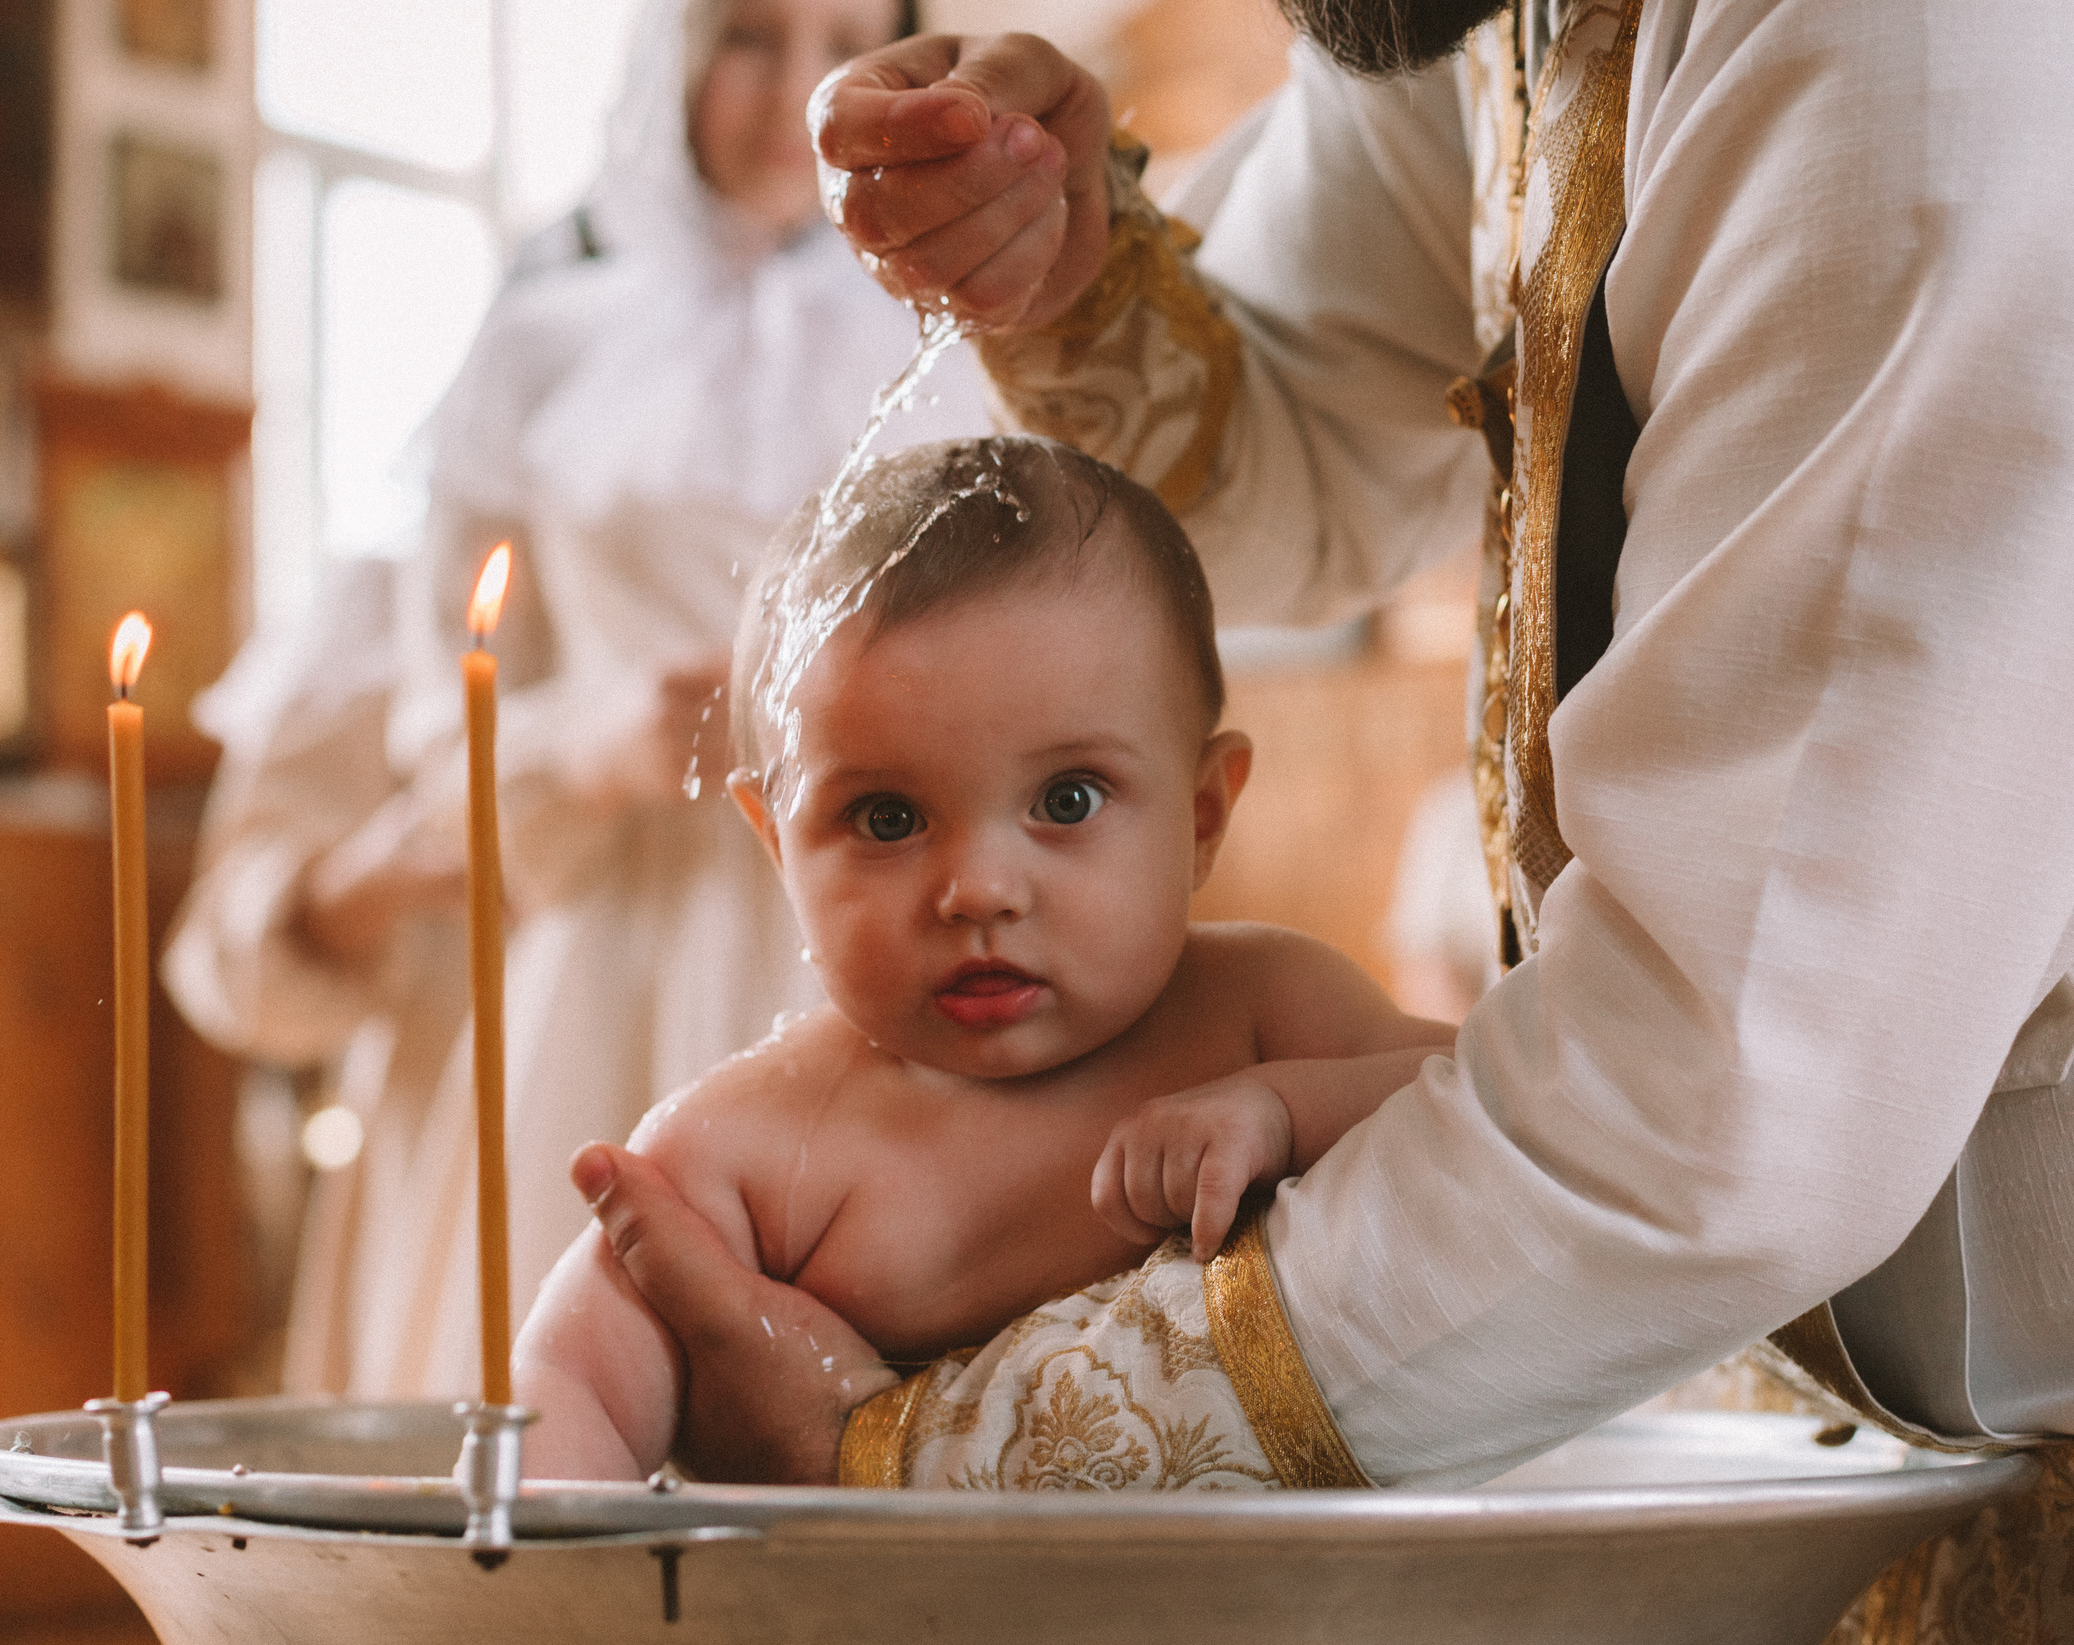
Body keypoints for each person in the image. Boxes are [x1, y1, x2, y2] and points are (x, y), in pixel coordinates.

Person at [565, 0, 2074, 1635]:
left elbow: (1709, 1109)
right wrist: (1075, 282)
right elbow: (1314, 424)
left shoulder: (1947, 25)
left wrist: (903, 1465)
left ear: (1213, 805)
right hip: (1821, 1430)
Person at [162, 0, 986, 1400]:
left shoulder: (949, 348)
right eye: (752, 35)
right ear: (673, 49)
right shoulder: (542, 343)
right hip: (609, 904)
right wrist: (591, 741)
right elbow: (444, 695)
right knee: (560, 1357)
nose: (801, 89)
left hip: (861, 921)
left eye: (851, 39)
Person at [512, 436, 1451, 1480]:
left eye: (1067, 801)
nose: (978, 890)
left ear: (1200, 815)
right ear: (777, 843)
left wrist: (1285, 1109)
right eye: (885, 816)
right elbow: (574, 1390)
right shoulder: (739, 1157)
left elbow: (1477, 1102)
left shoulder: (1266, 1016)